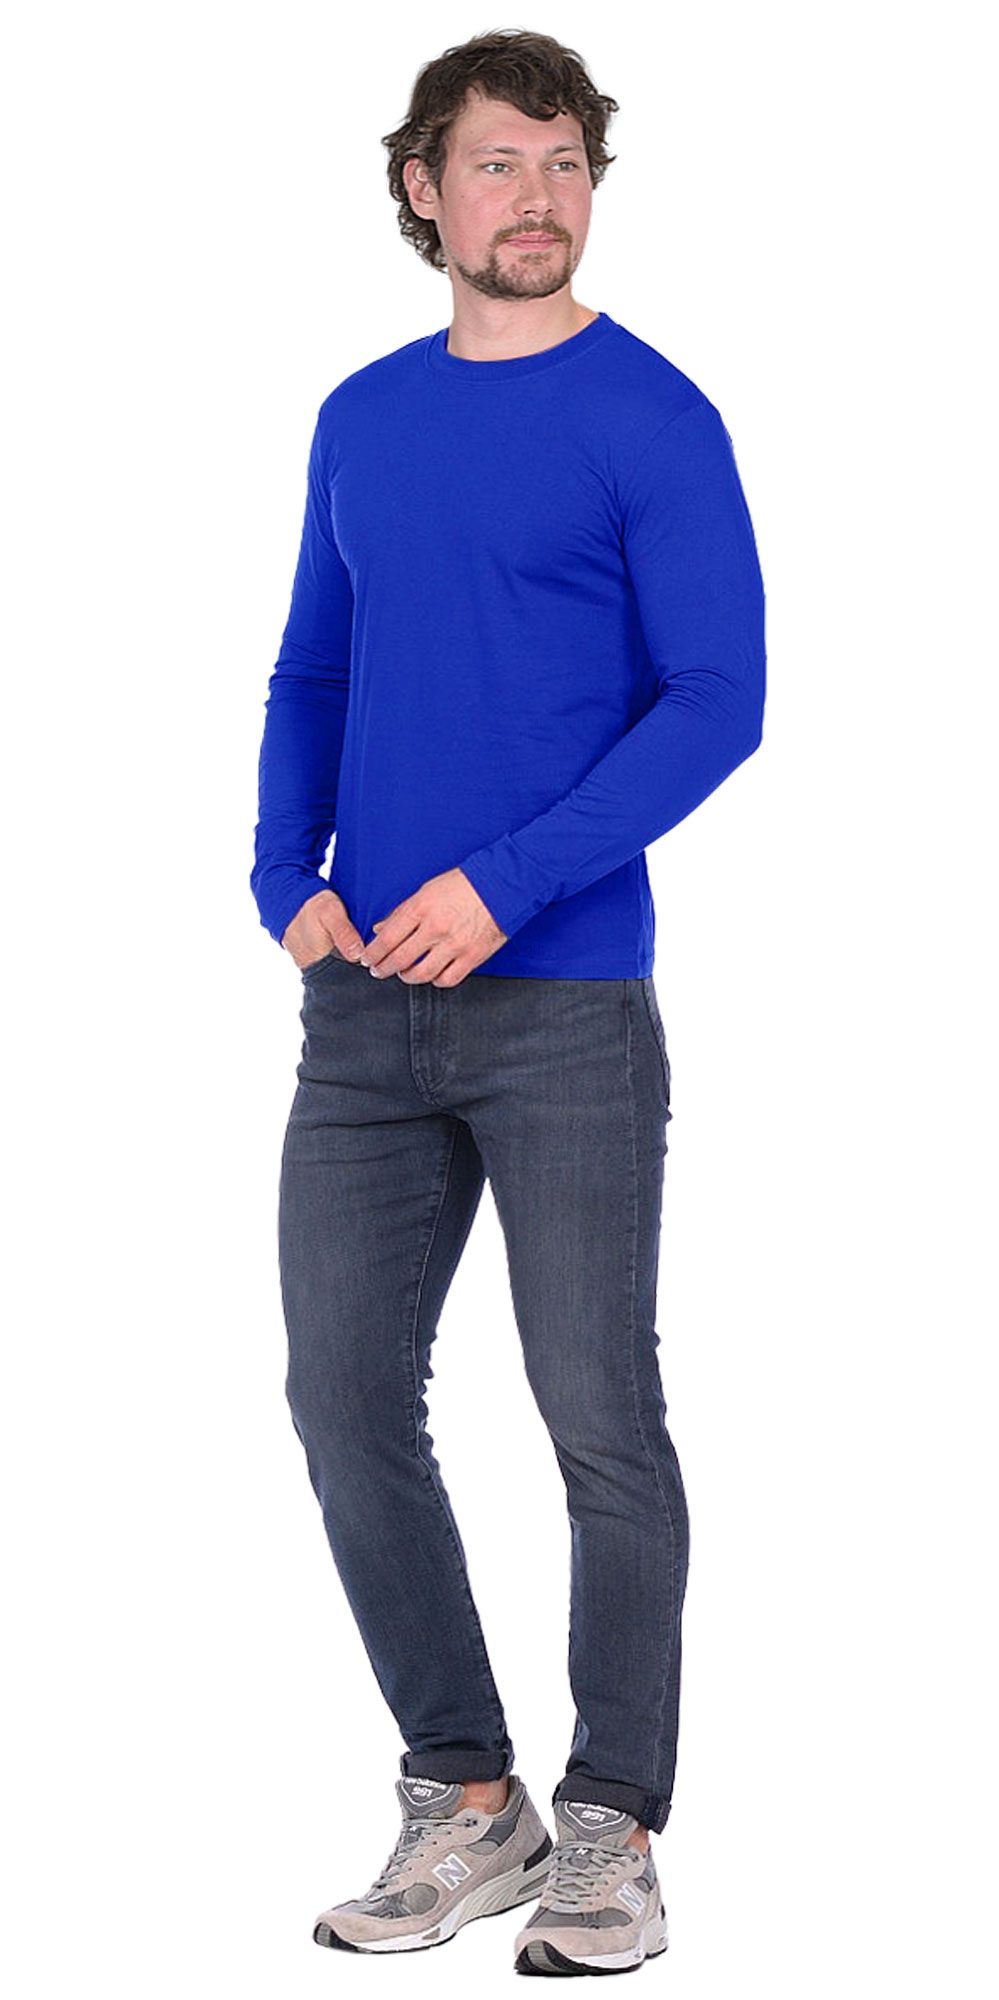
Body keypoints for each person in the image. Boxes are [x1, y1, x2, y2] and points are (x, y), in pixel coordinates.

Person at [250, 27, 766, 1977]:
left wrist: (507, 881)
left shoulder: (650, 415)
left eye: (563, 164)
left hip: (565, 1010)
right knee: (340, 1399)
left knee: (596, 1417)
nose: (534, 197)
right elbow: (313, 667)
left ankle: (612, 1827)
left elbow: (716, 698)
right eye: (495, 163)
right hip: (362, 1015)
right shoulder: (363, 416)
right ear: (422, 187)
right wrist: (282, 881)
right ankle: (467, 1799)